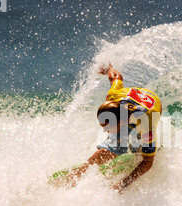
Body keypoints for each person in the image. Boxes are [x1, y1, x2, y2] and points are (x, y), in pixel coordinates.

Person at [67, 63, 162, 193]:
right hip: (131, 98)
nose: (105, 131)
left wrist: (123, 184)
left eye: (109, 127)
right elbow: (116, 77)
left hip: (152, 103)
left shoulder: (146, 124)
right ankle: (82, 171)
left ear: (122, 121)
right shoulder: (113, 95)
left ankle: (143, 148)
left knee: (143, 153)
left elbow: (148, 163)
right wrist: (108, 68)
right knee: (115, 144)